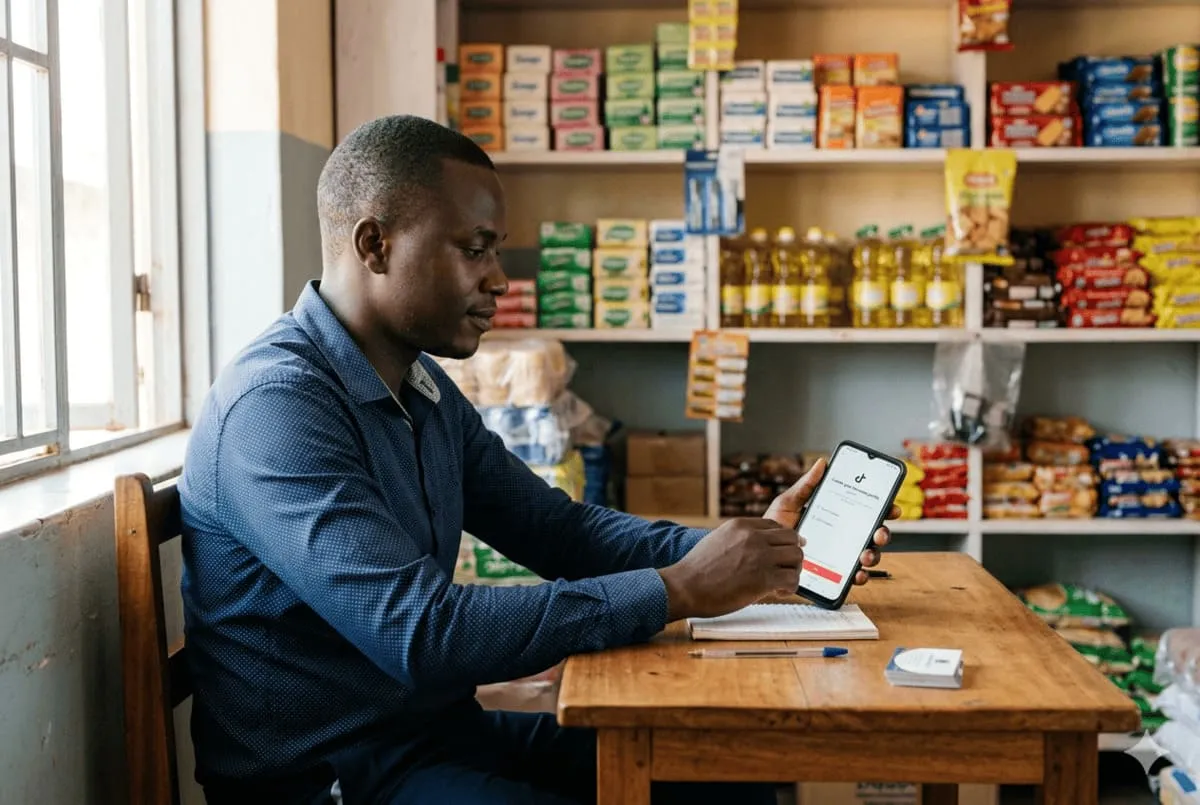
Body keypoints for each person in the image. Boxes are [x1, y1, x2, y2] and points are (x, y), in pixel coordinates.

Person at [178, 114, 894, 805]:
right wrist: (677, 588)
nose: (499, 279)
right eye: (475, 247)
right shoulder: (277, 408)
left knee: (715, 776)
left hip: (430, 739)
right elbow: (422, 632)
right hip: (331, 777)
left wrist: (749, 555)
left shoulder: (417, 387)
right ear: (375, 244)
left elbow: (557, 530)